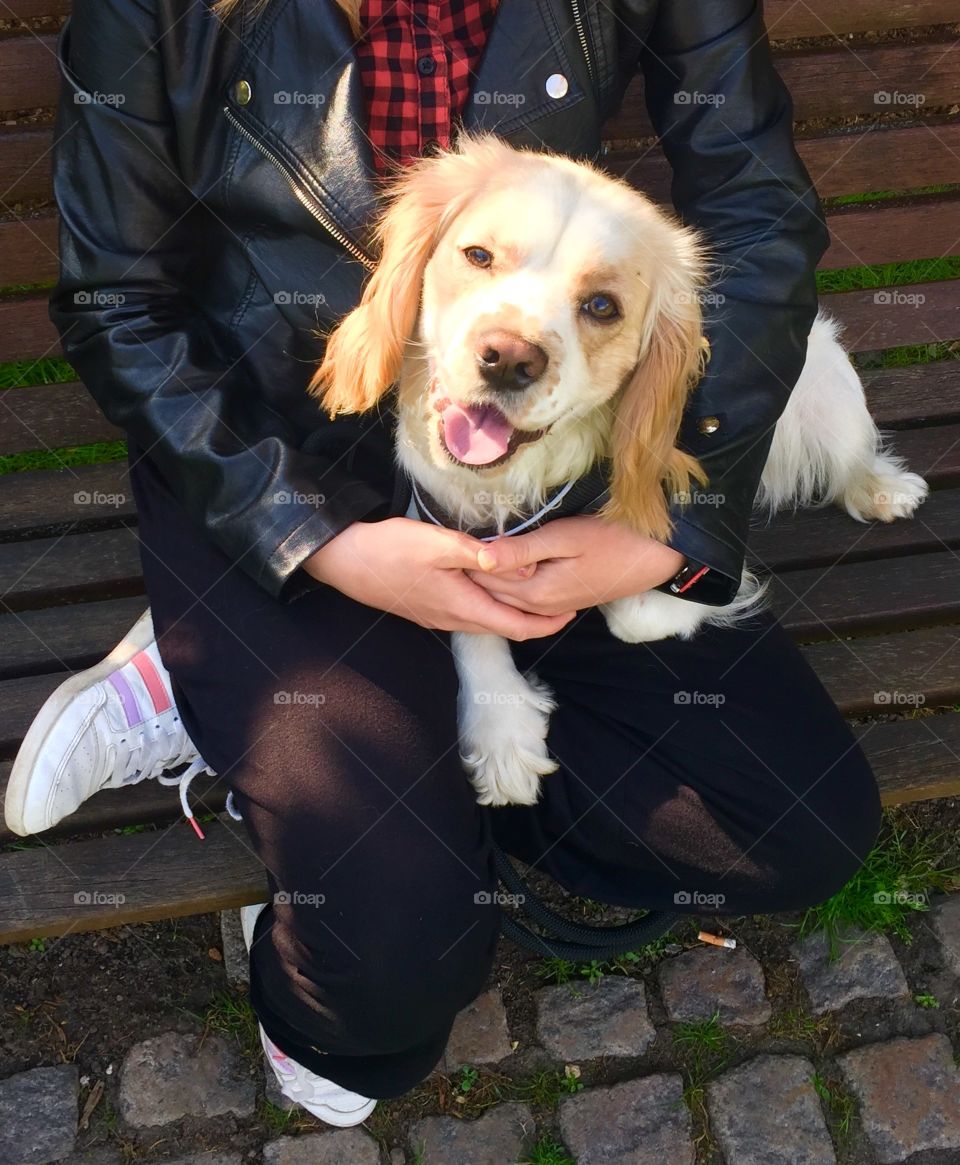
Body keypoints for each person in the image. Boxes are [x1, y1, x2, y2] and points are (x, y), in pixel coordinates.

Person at [8, 0, 881, 1126]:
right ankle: (235, 697)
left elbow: (757, 214)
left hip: (540, 454)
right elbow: (116, 299)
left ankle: (374, 773)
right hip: (265, 450)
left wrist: (659, 523)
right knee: (389, 968)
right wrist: (308, 537)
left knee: (794, 828)